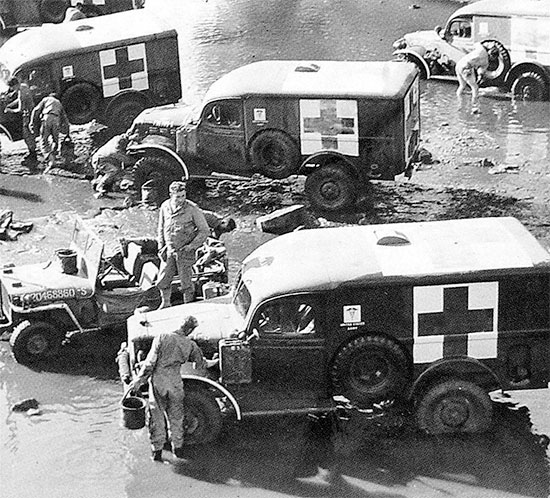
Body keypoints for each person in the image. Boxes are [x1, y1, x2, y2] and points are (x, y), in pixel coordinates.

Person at [128, 316, 216, 461]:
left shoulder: (162, 337)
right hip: (175, 383)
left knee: (156, 417)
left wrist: (138, 381)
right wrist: (214, 361)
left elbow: (150, 363)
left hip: (159, 382)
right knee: (177, 417)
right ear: (189, 330)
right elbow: (200, 365)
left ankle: (157, 453)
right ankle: (178, 450)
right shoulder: (190, 344)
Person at [156, 181, 210, 308]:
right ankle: (165, 303)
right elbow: (161, 227)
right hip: (169, 249)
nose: (181, 199)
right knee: (163, 279)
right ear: (171, 195)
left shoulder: (192, 209)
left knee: (186, 282)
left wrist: (192, 246)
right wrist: (160, 246)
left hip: (185, 251)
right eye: (178, 197)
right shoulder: (165, 206)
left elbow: (204, 230)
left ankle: (188, 305)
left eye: (183, 196)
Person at [30, 92, 70, 171]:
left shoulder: (46, 99)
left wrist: (32, 122)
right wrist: (67, 133)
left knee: (43, 140)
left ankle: (50, 160)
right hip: (57, 119)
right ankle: (53, 156)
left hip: (47, 117)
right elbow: (65, 119)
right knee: (55, 140)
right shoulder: (59, 103)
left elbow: (36, 110)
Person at [90, 131, 136, 198]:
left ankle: (105, 184)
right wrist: (135, 161)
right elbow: (125, 159)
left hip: (107, 159)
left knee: (119, 171)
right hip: (100, 161)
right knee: (114, 171)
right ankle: (100, 188)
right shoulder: (116, 149)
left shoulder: (118, 137)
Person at [4, 77, 37, 165]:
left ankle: (33, 154)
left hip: (27, 114)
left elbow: (20, 109)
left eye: (12, 87)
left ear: (15, 85)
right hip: (31, 112)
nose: (12, 89)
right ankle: (32, 152)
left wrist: (9, 110)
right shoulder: (24, 86)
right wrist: (10, 104)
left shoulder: (22, 92)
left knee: (27, 135)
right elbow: (19, 99)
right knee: (29, 134)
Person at [455, 42, 497, 107]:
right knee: (475, 87)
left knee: (462, 85)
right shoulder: (486, 62)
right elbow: (480, 72)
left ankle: (458, 100)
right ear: (493, 57)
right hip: (467, 68)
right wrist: (480, 77)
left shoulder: (481, 49)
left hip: (459, 64)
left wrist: (489, 45)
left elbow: (476, 43)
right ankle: (474, 104)